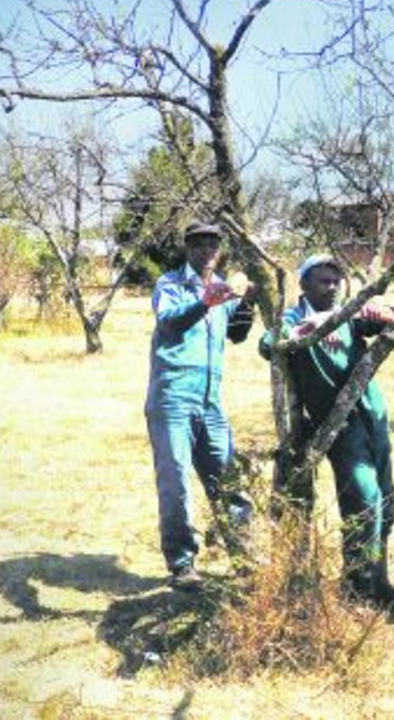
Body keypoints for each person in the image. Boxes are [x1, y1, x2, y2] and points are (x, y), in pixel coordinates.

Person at [259, 254, 394, 604]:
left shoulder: (348, 313)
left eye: (337, 280)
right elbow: (268, 343)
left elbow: (381, 323)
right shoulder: (293, 318)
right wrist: (301, 333)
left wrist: (382, 316)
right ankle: (357, 588)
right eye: (324, 280)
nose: (333, 287)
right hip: (339, 425)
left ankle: (380, 580)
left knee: (386, 499)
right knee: (363, 500)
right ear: (304, 284)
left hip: (373, 413)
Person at [145, 221, 257, 591]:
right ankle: (182, 564)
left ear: (219, 249)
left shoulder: (225, 286)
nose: (206, 250)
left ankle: (244, 559)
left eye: (212, 244)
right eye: (198, 244)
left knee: (228, 477)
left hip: (211, 399)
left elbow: (237, 333)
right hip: (173, 396)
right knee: (175, 481)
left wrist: (248, 301)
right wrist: (204, 301)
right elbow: (169, 322)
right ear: (187, 247)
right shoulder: (170, 284)